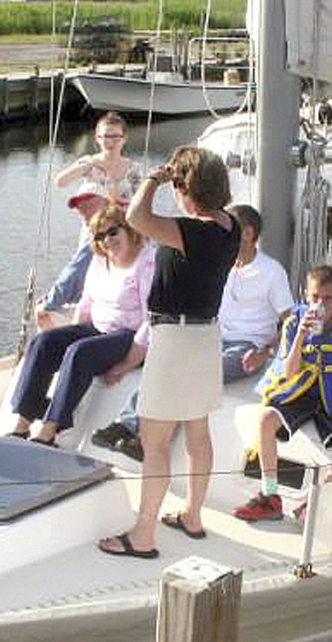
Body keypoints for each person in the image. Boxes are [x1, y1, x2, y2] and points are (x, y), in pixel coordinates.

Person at [98, 146, 240, 558]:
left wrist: (153, 180)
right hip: (206, 338)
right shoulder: (228, 226)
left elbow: (135, 218)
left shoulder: (192, 231)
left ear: (185, 188)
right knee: (198, 432)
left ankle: (143, 536)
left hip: (175, 341)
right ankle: (192, 516)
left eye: (179, 185)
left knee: (154, 442)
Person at [91, 203, 293, 459]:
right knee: (165, 365)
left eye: (228, 225)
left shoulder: (272, 272)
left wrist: (266, 352)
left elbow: (290, 320)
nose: (220, 231)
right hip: (210, 337)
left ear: (248, 233)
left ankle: (140, 437)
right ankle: (126, 426)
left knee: (191, 375)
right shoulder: (219, 264)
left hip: (246, 348)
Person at [234, 264, 332, 522]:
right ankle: (270, 495)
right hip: (301, 389)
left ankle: (313, 502)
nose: (320, 303)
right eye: (315, 297)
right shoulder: (294, 321)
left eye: (328, 298)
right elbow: (289, 371)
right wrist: (301, 336)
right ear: (306, 294)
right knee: (265, 420)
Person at [9, 206, 154, 446]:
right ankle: (22, 425)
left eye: (112, 232)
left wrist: (128, 362)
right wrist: (71, 334)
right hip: (99, 328)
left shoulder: (146, 262)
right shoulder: (99, 260)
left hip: (129, 335)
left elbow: (152, 318)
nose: (107, 240)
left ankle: (49, 432)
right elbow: (86, 303)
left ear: (128, 229)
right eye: (99, 236)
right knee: (43, 343)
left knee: (80, 352)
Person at [34, 190, 108, 330]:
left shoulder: (98, 236)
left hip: (108, 313)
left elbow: (74, 272)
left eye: (89, 205)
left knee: (44, 312)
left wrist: (49, 303)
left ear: (105, 202)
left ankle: (54, 351)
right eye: (80, 207)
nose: (83, 210)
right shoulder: (123, 229)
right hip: (109, 304)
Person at [55, 111, 142, 206]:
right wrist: (85, 167)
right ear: (98, 138)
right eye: (106, 137)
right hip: (94, 220)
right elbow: (60, 182)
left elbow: (139, 203)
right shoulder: (89, 162)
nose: (110, 141)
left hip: (122, 219)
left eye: (116, 137)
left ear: (124, 138)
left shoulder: (134, 168)